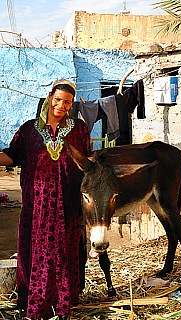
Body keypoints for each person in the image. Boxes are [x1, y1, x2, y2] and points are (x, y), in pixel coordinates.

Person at [0, 79, 91, 319]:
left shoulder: (79, 129)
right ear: (50, 97)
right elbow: (13, 155)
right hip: (36, 205)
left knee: (63, 252)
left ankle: (61, 304)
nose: (62, 105)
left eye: (67, 102)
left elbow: (87, 161)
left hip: (67, 204)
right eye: (58, 99)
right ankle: (36, 303)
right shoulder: (29, 130)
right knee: (37, 251)